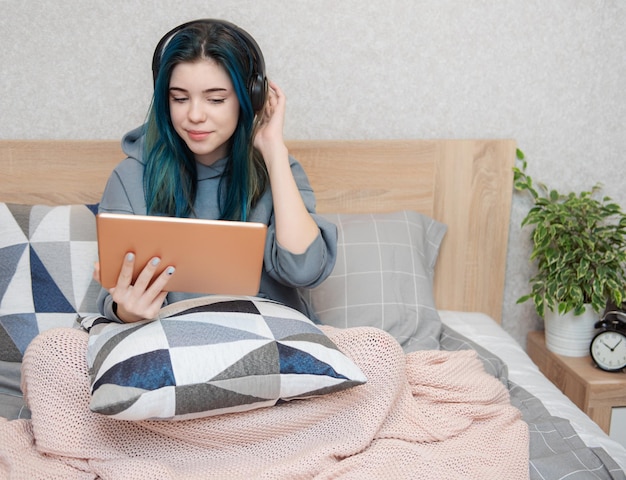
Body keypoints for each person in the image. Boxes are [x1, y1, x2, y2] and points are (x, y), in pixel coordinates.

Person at [94, 19, 337, 324]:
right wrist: (128, 310)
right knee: (52, 349)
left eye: (216, 99)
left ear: (250, 98)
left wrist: (273, 150)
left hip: (271, 339)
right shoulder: (129, 177)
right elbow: (111, 297)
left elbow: (304, 269)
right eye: (179, 98)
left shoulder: (280, 171)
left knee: (376, 347)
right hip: (168, 342)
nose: (194, 115)